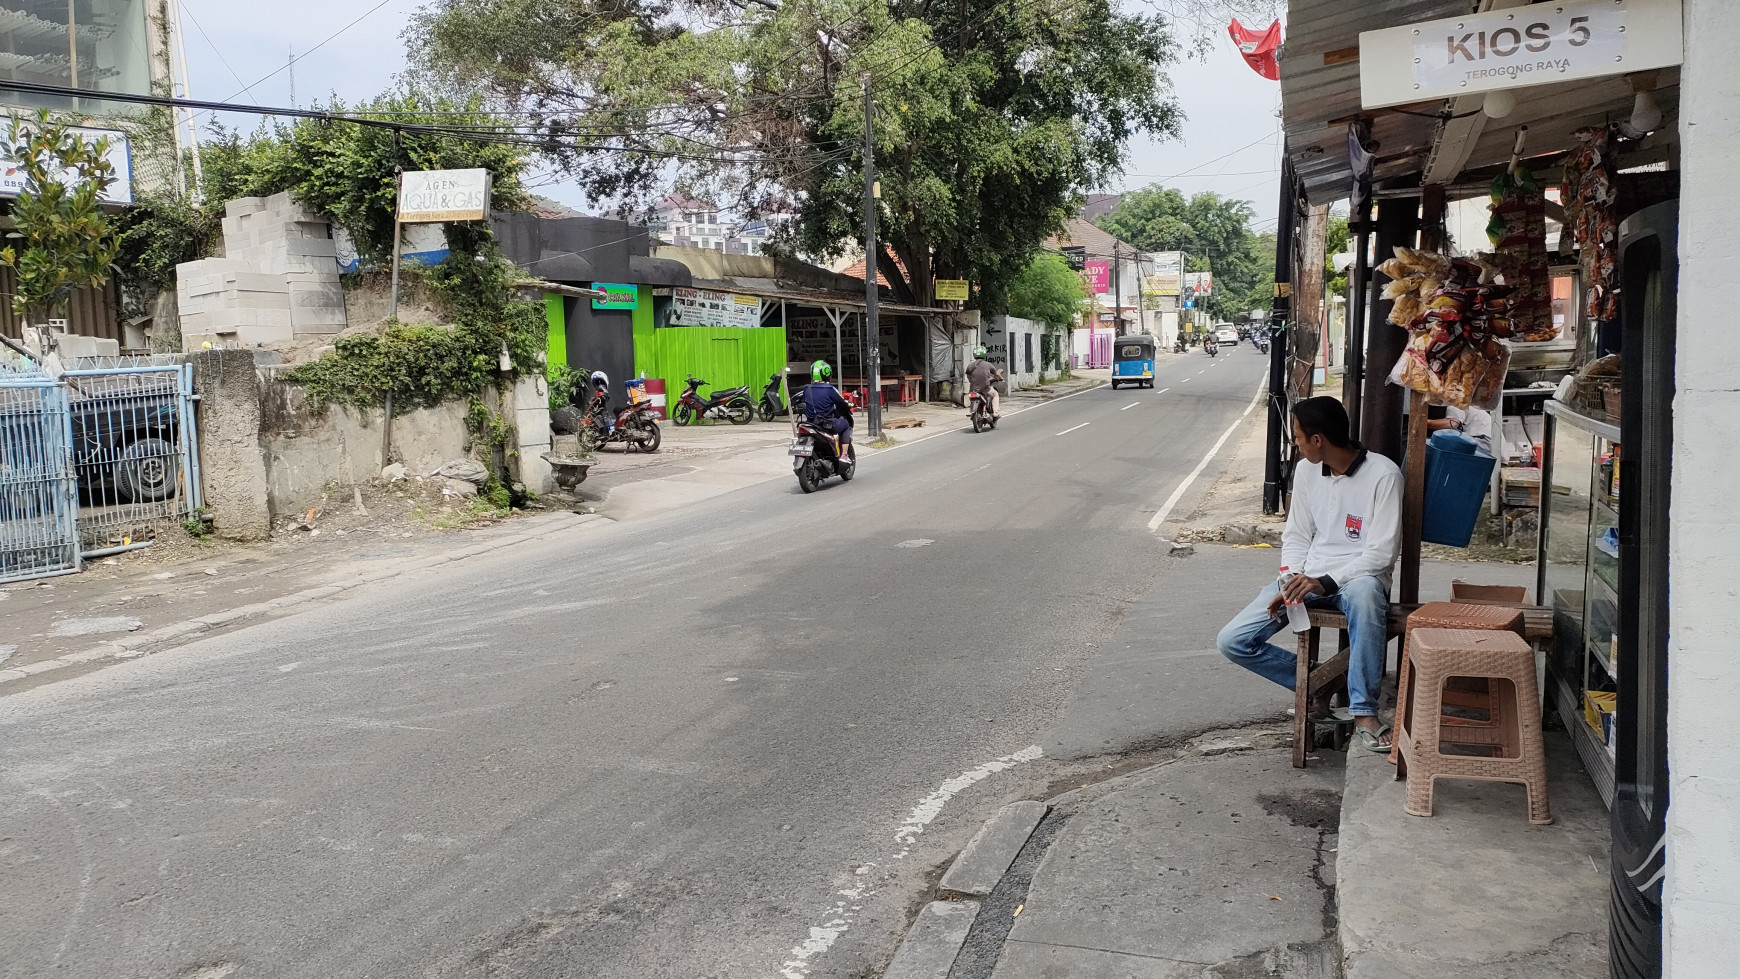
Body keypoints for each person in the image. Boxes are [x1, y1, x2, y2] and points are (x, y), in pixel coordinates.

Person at [1215, 396, 1403, 751]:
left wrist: (1326, 582)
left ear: (1318, 440)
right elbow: (1297, 535)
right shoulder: (1305, 472)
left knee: (1364, 597)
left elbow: (1381, 553)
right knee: (1233, 640)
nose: (1296, 445)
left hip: (1359, 578)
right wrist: (1291, 579)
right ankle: (1319, 682)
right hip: (1308, 576)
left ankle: (1364, 713)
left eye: (1299, 438)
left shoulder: (1384, 474)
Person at [796, 360, 854, 459]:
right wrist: (849, 404)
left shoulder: (807, 389)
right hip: (827, 424)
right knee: (845, 425)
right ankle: (844, 455)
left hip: (811, 424)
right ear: (827, 374)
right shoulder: (830, 389)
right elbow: (841, 403)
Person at [965, 346, 1003, 418]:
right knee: (995, 394)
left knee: (971, 396)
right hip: (985, 389)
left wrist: (972, 381)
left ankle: (975, 409)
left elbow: (968, 376)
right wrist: (1001, 378)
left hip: (973, 390)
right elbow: (997, 374)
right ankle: (995, 412)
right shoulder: (988, 364)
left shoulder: (970, 365)